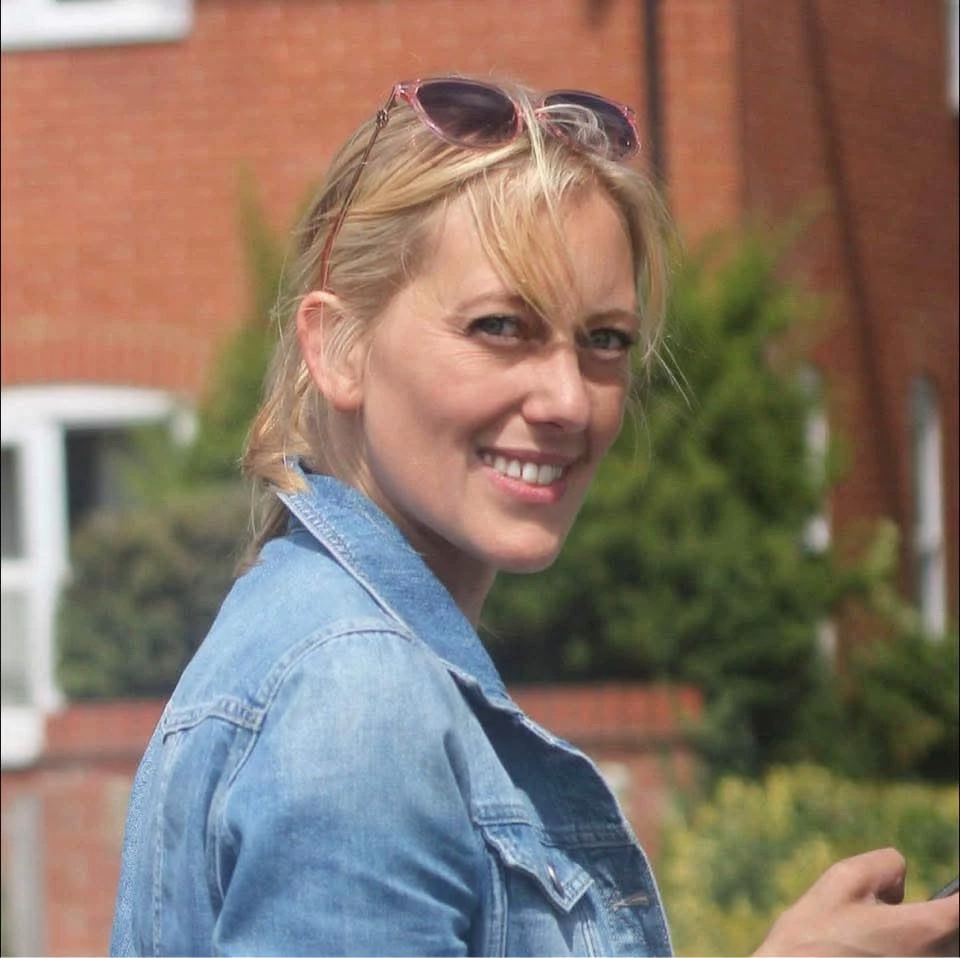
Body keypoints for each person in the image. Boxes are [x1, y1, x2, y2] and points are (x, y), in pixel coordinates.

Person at [110, 75, 959, 956]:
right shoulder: (356, 697)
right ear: (339, 349)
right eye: (500, 327)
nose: (567, 400)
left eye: (604, 340)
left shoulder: (315, 644)